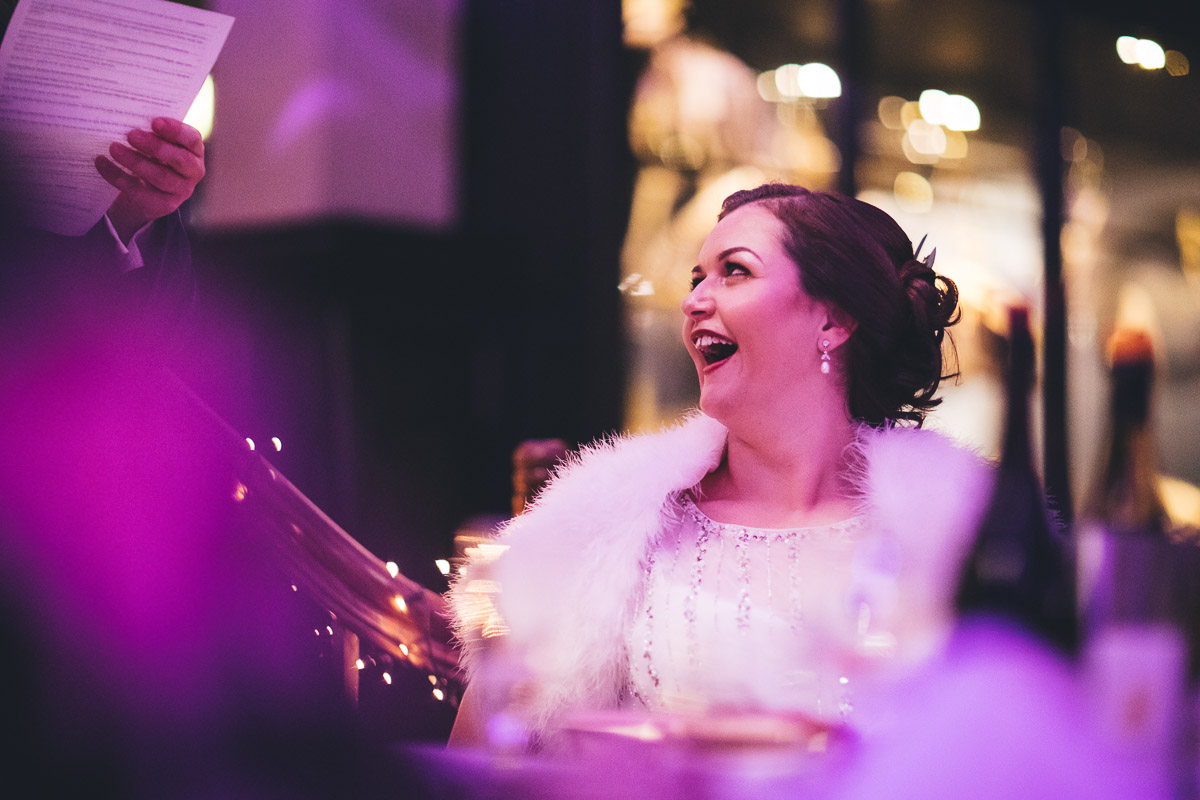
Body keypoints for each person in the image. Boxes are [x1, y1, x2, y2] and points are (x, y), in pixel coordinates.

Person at [447, 183, 994, 751]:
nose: (694, 300)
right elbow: (476, 762)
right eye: (696, 278)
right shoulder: (602, 529)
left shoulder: (952, 542)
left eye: (735, 271)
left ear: (833, 319)